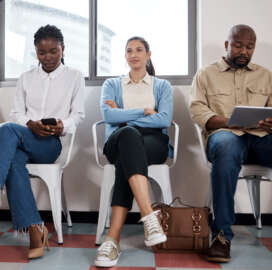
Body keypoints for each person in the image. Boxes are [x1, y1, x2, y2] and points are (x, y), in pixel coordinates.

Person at [0, 25, 85, 260]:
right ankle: (35, 230)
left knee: (9, 130)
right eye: (42, 52)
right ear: (35, 52)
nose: (48, 57)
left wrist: (62, 125)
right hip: (24, 139)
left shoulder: (74, 76)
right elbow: (17, 114)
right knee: (12, 161)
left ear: (63, 48)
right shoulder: (26, 78)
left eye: (53, 51)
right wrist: (30, 124)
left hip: (50, 145)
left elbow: (78, 115)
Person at [190, 24, 272, 263]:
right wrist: (230, 121)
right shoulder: (205, 74)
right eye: (238, 45)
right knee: (226, 146)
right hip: (225, 136)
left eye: (249, 47)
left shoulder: (266, 75)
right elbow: (197, 110)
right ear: (227, 45)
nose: (243, 51)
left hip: (260, 138)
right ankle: (221, 237)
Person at [94, 36, 173, 268]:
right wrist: (146, 112)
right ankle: (149, 216)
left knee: (127, 151)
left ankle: (112, 239)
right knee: (128, 137)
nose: (134, 54)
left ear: (148, 55)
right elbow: (108, 116)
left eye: (139, 50)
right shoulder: (111, 84)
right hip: (116, 142)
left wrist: (125, 115)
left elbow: (165, 119)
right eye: (129, 50)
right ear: (125, 56)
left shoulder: (162, 86)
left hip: (154, 144)